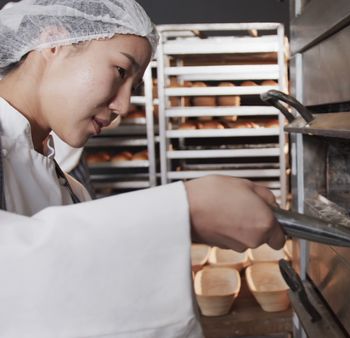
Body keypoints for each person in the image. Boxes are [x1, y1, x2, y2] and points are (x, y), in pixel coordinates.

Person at [0, 1, 285, 337]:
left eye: (133, 88)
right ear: (53, 43)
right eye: (121, 71)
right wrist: (181, 209)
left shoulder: (68, 188)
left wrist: (176, 223)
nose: (122, 105)